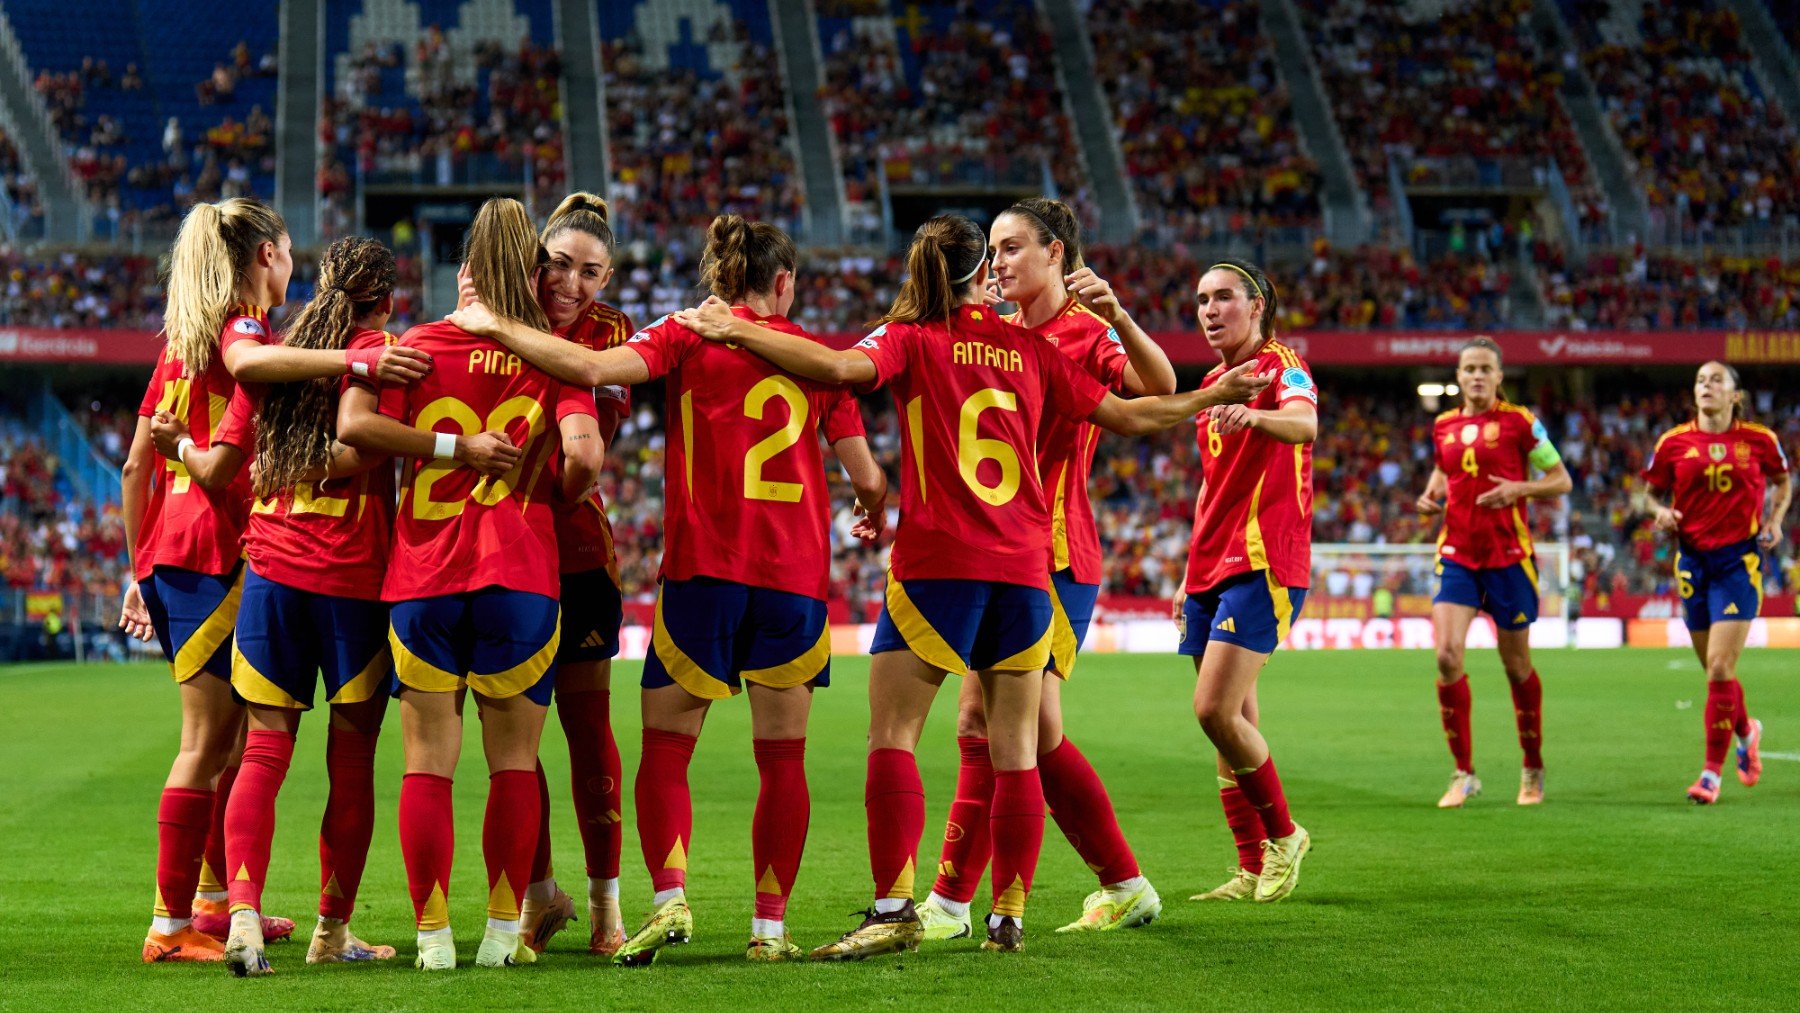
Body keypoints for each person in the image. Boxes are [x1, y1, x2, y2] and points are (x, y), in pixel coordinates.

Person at [671, 215, 1269, 957]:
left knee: (894, 736)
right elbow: (1133, 413)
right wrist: (1211, 398)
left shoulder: (912, 336)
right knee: (1015, 748)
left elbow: (835, 371)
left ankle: (895, 908)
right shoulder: (1033, 347)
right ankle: (1006, 915)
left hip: (937, 566)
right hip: (1024, 571)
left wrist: (736, 330)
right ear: (981, 270)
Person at [452, 213, 888, 964]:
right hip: (794, 580)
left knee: (665, 747)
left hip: (704, 571)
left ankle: (669, 897)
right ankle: (768, 930)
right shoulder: (820, 357)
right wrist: (870, 503)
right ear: (783, 282)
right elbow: (870, 476)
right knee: (783, 758)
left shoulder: (682, 333)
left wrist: (492, 324)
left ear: (720, 278)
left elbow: (589, 370)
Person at [146, 237, 476, 975]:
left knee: (261, 753)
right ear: (386, 297)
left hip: (269, 569)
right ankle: (331, 929)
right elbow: (363, 442)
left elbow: (235, 457)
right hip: (352, 579)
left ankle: (240, 919)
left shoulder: (283, 350)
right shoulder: (380, 349)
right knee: (350, 760)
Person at [337, 197, 600, 971]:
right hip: (518, 575)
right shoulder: (551, 354)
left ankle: (430, 936)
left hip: (423, 575)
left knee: (427, 760)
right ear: (531, 271)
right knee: (514, 759)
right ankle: (498, 933)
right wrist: (544, 494)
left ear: (465, 272)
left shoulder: (414, 345)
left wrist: (445, 449)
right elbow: (585, 460)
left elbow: (358, 429)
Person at [919, 197, 1174, 939]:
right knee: (1004, 724)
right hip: (997, 550)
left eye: (1011, 247)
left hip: (1055, 551)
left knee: (1005, 721)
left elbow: (1155, 391)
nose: (997, 263)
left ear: (1056, 252)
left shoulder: (1085, 331)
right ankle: (1113, 883)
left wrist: (1121, 315)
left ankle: (957, 902)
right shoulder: (991, 331)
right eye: (992, 251)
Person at [508, 193, 637, 959]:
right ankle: (538, 893)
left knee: (588, 735)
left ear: (608, 276)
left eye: (590, 271)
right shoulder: (497, 311)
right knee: (511, 743)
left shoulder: (610, 335)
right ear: (536, 260)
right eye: (559, 263)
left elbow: (590, 452)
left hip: (578, 558)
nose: (572, 282)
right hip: (501, 565)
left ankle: (605, 905)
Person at [1175, 260, 1320, 905]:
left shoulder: (1284, 364)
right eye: (1202, 300)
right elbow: (1211, 485)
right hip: (1211, 566)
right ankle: (1250, 867)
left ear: (1255, 303)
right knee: (1226, 723)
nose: (1210, 310)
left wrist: (1254, 416)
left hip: (1263, 560)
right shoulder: (1212, 384)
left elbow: (1305, 425)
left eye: (1224, 297)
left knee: (1213, 709)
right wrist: (1186, 572)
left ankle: (1285, 836)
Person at [1415, 337, 1571, 808]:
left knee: (1516, 666)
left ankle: (1533, 765)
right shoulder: (1443, 426)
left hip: (1509, 559)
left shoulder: (1521, 423)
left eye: (1486, 368)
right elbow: (1444, 474)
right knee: (1446, 656)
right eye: (1469, 369)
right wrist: (1431, 496)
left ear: (1500, 376)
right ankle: (1463, 772)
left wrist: (1518, 489)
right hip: (1458, 555)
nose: (1477, 376)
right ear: (1459, 377)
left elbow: (1560, 479)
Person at [1641, 361, 1791, 804]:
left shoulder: (1760, 441)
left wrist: (1775, 520)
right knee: (1714, 670)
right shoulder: (1673, 443)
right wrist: (1660, 513)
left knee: (1721, 667)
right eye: (1701, 381)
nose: (1706, 386)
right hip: (1691, 564)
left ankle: (1710, 774)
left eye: (1716, 380)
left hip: (1737, 562)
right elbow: (1648, 493)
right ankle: (1747, 730)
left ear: (1734, 396)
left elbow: (1783, 483)